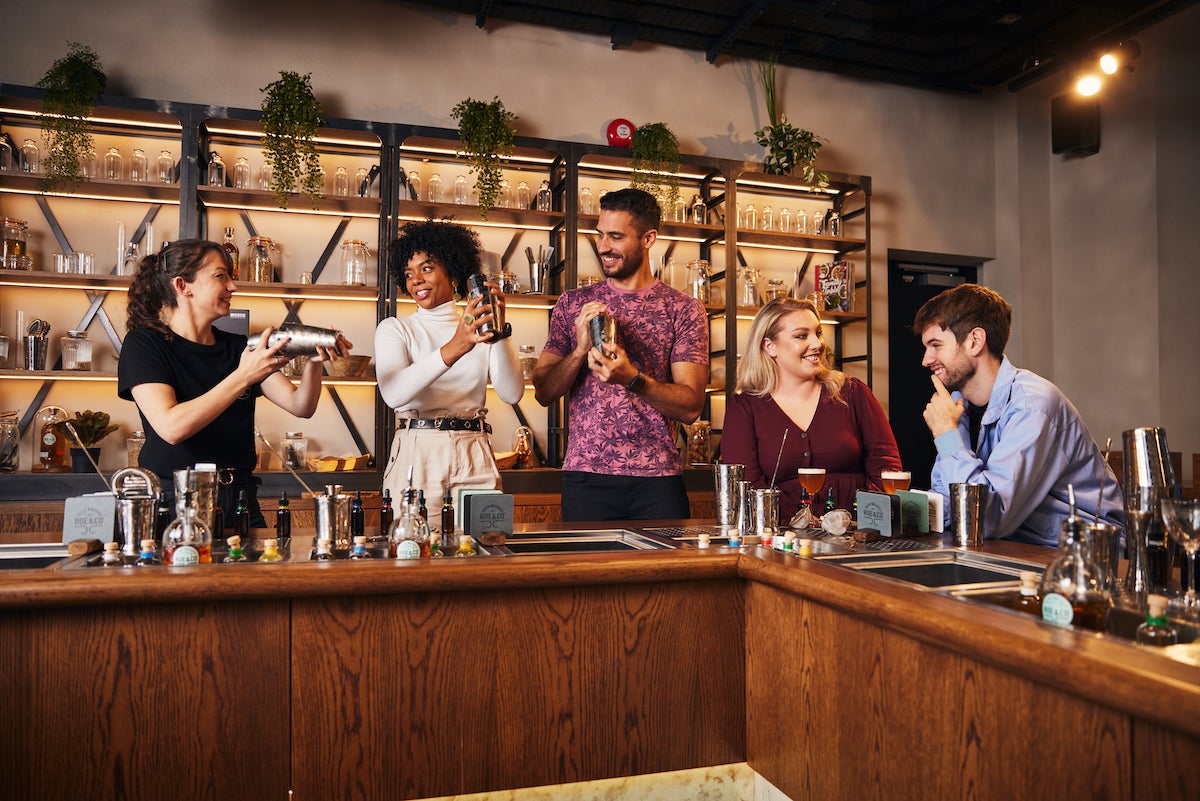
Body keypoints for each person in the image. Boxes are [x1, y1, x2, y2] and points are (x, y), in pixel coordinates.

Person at [118, 239, 348, 527]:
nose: (233, 286)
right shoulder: (145, 344)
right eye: (220, 276)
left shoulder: (239, 347)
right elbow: (171, 428)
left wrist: (314, 365)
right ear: (182, 285)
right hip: (177, 500)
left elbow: (301, 405)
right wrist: (243, 376)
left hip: (239, 496)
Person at [533, 188, 708, 521]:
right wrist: (580, 350)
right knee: (589, 576)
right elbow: (543, 391)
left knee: (664, 575)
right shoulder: (572, 304)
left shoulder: (684, 310)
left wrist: (631, 379)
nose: (603, 247)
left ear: (648, 238)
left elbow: (690, 406)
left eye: (615, 237)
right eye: (600, 235)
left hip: (658, 481)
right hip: (586, 478)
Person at [913, 282, 1123, 546]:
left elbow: (986, 519)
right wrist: (901, 512)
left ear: (974, 341)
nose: (926, 360)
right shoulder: (958, 406)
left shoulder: (1033, 404)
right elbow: (949, 501)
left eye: (935, 345)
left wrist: (946, 434)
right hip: (1014, 544)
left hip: (1086, 553)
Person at [375, 219, 524, 503]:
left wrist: (500, 331)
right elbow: (393, 394)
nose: (416, 279)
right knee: (415, 545)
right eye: (408, 274)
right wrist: (457, 346)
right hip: (417, 452)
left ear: (452, 272)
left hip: (475, 449)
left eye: (427, 268)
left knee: (484, 543)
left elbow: (511, 393)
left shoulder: (478, 328)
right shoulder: (395, 329)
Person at [721, 297, 901, 521]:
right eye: (801, 335)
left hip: (858, 530)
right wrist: (800, 521)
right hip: (782, 535)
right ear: (770, 346)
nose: (817, 344)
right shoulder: (745, 406)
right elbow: (747, 483)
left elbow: (886, 468)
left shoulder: (852, 393)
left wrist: (867, 518)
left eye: (818, 333)